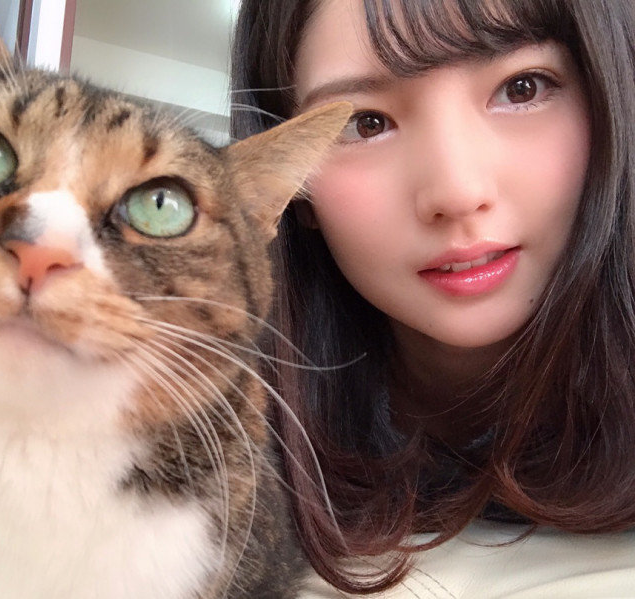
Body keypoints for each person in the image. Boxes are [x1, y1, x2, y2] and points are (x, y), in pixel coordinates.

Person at [230, 0, 635, 595]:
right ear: (292, 187)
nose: (456, 191)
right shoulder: (220, 433)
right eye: (365, 123)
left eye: (522, 88)